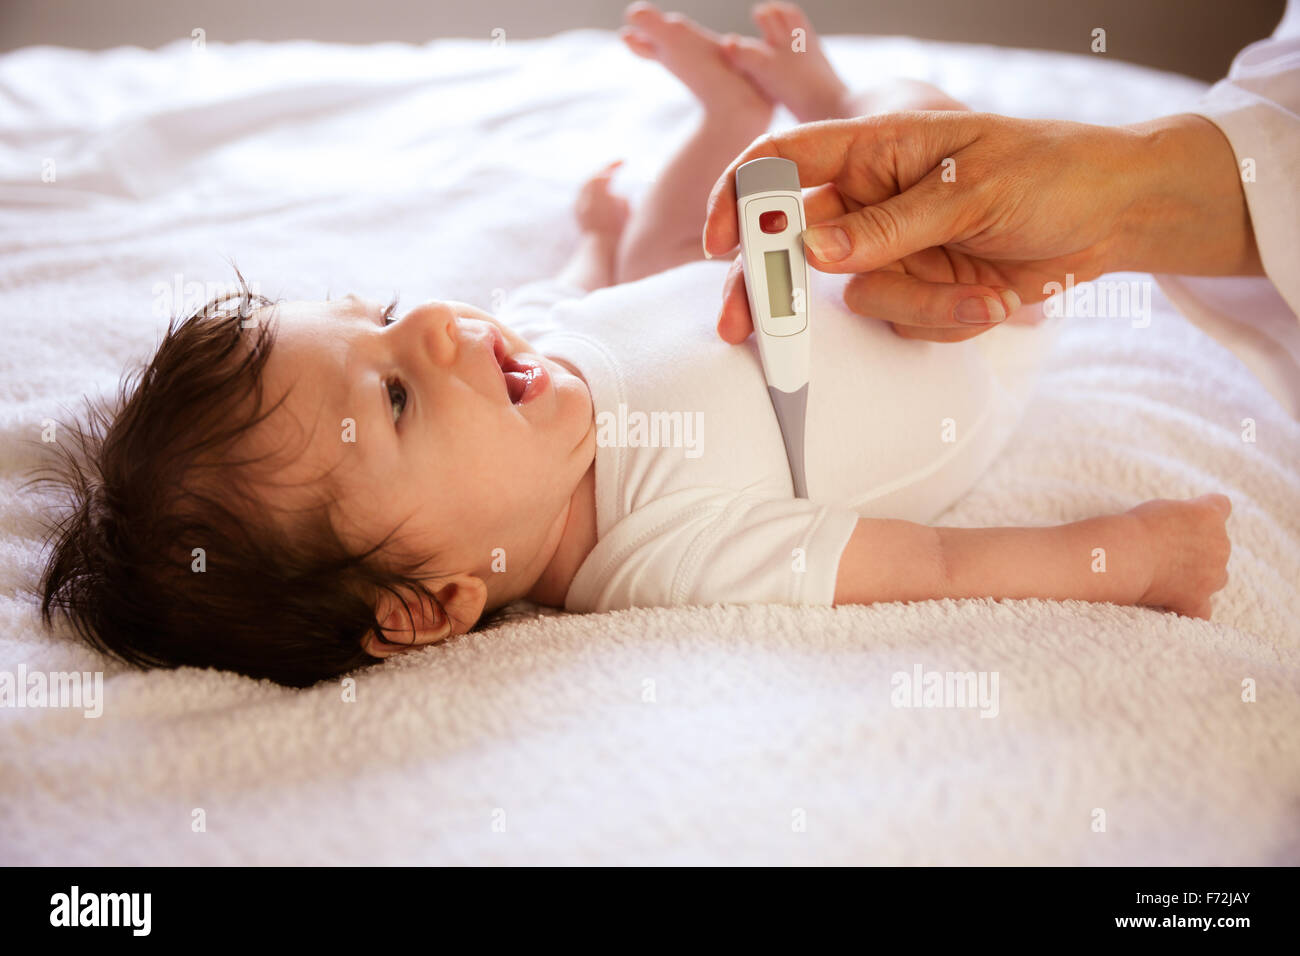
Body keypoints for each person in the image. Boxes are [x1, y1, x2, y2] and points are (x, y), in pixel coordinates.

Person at [35, 2, 1230, 690]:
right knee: (930, 131)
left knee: (670, 246)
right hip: (981, 305)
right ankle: (841, 108)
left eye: (388, 309)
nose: (443, 324)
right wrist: (1118, 557)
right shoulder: (662, 545)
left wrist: (604, 241)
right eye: (394, 395)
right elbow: (933, 564)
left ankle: (756, 117)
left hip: (801, 249)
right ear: (429, 604)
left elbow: (617, 291)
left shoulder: (529, 370)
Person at [703, 1, 1300, 416]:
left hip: (929, 291)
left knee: (925, 142)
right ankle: (759, 110)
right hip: (971, 310)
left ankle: (833, 98)